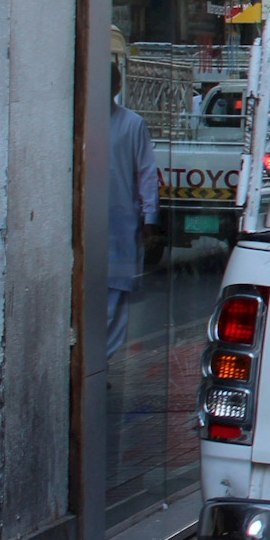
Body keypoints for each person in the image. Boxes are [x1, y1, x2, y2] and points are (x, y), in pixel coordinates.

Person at [108, 62, 161, 363]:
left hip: (121, 227)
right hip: (92, 227)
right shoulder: (79, 122)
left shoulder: (132, 124)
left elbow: (146, 173)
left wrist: (149, 220)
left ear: (116, 88)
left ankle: (98, 365)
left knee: (115, 297)